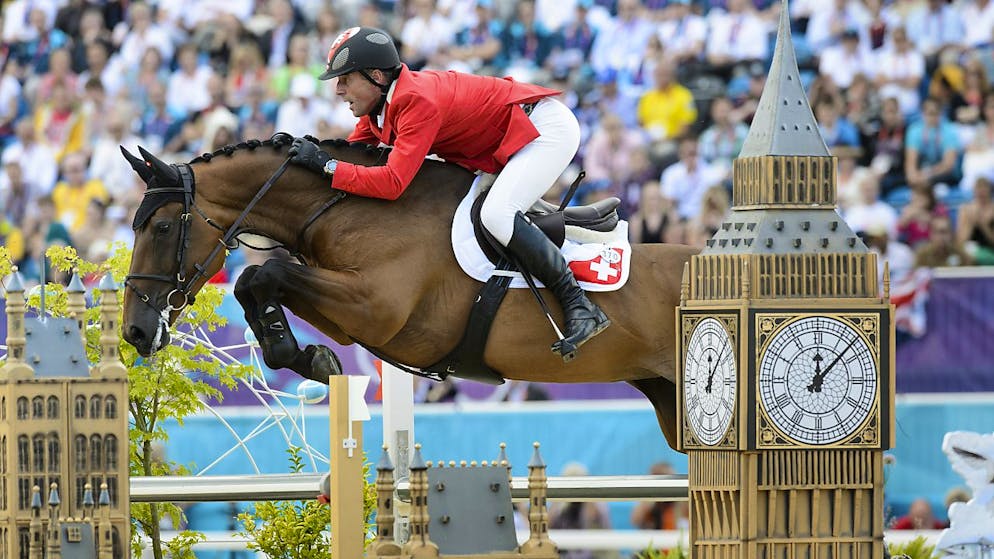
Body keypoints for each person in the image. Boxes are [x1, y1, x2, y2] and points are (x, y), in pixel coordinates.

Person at [287, 27, 609, 360]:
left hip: (543, 131)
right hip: (511, 140)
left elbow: (391, 182)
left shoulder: (415, 101)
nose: (338, 89)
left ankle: (579, 306)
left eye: (345, 79)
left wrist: (326, 167)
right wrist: (302, 160)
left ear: (376, 76)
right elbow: (350, 152)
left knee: (496, 214)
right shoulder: (383, 106)